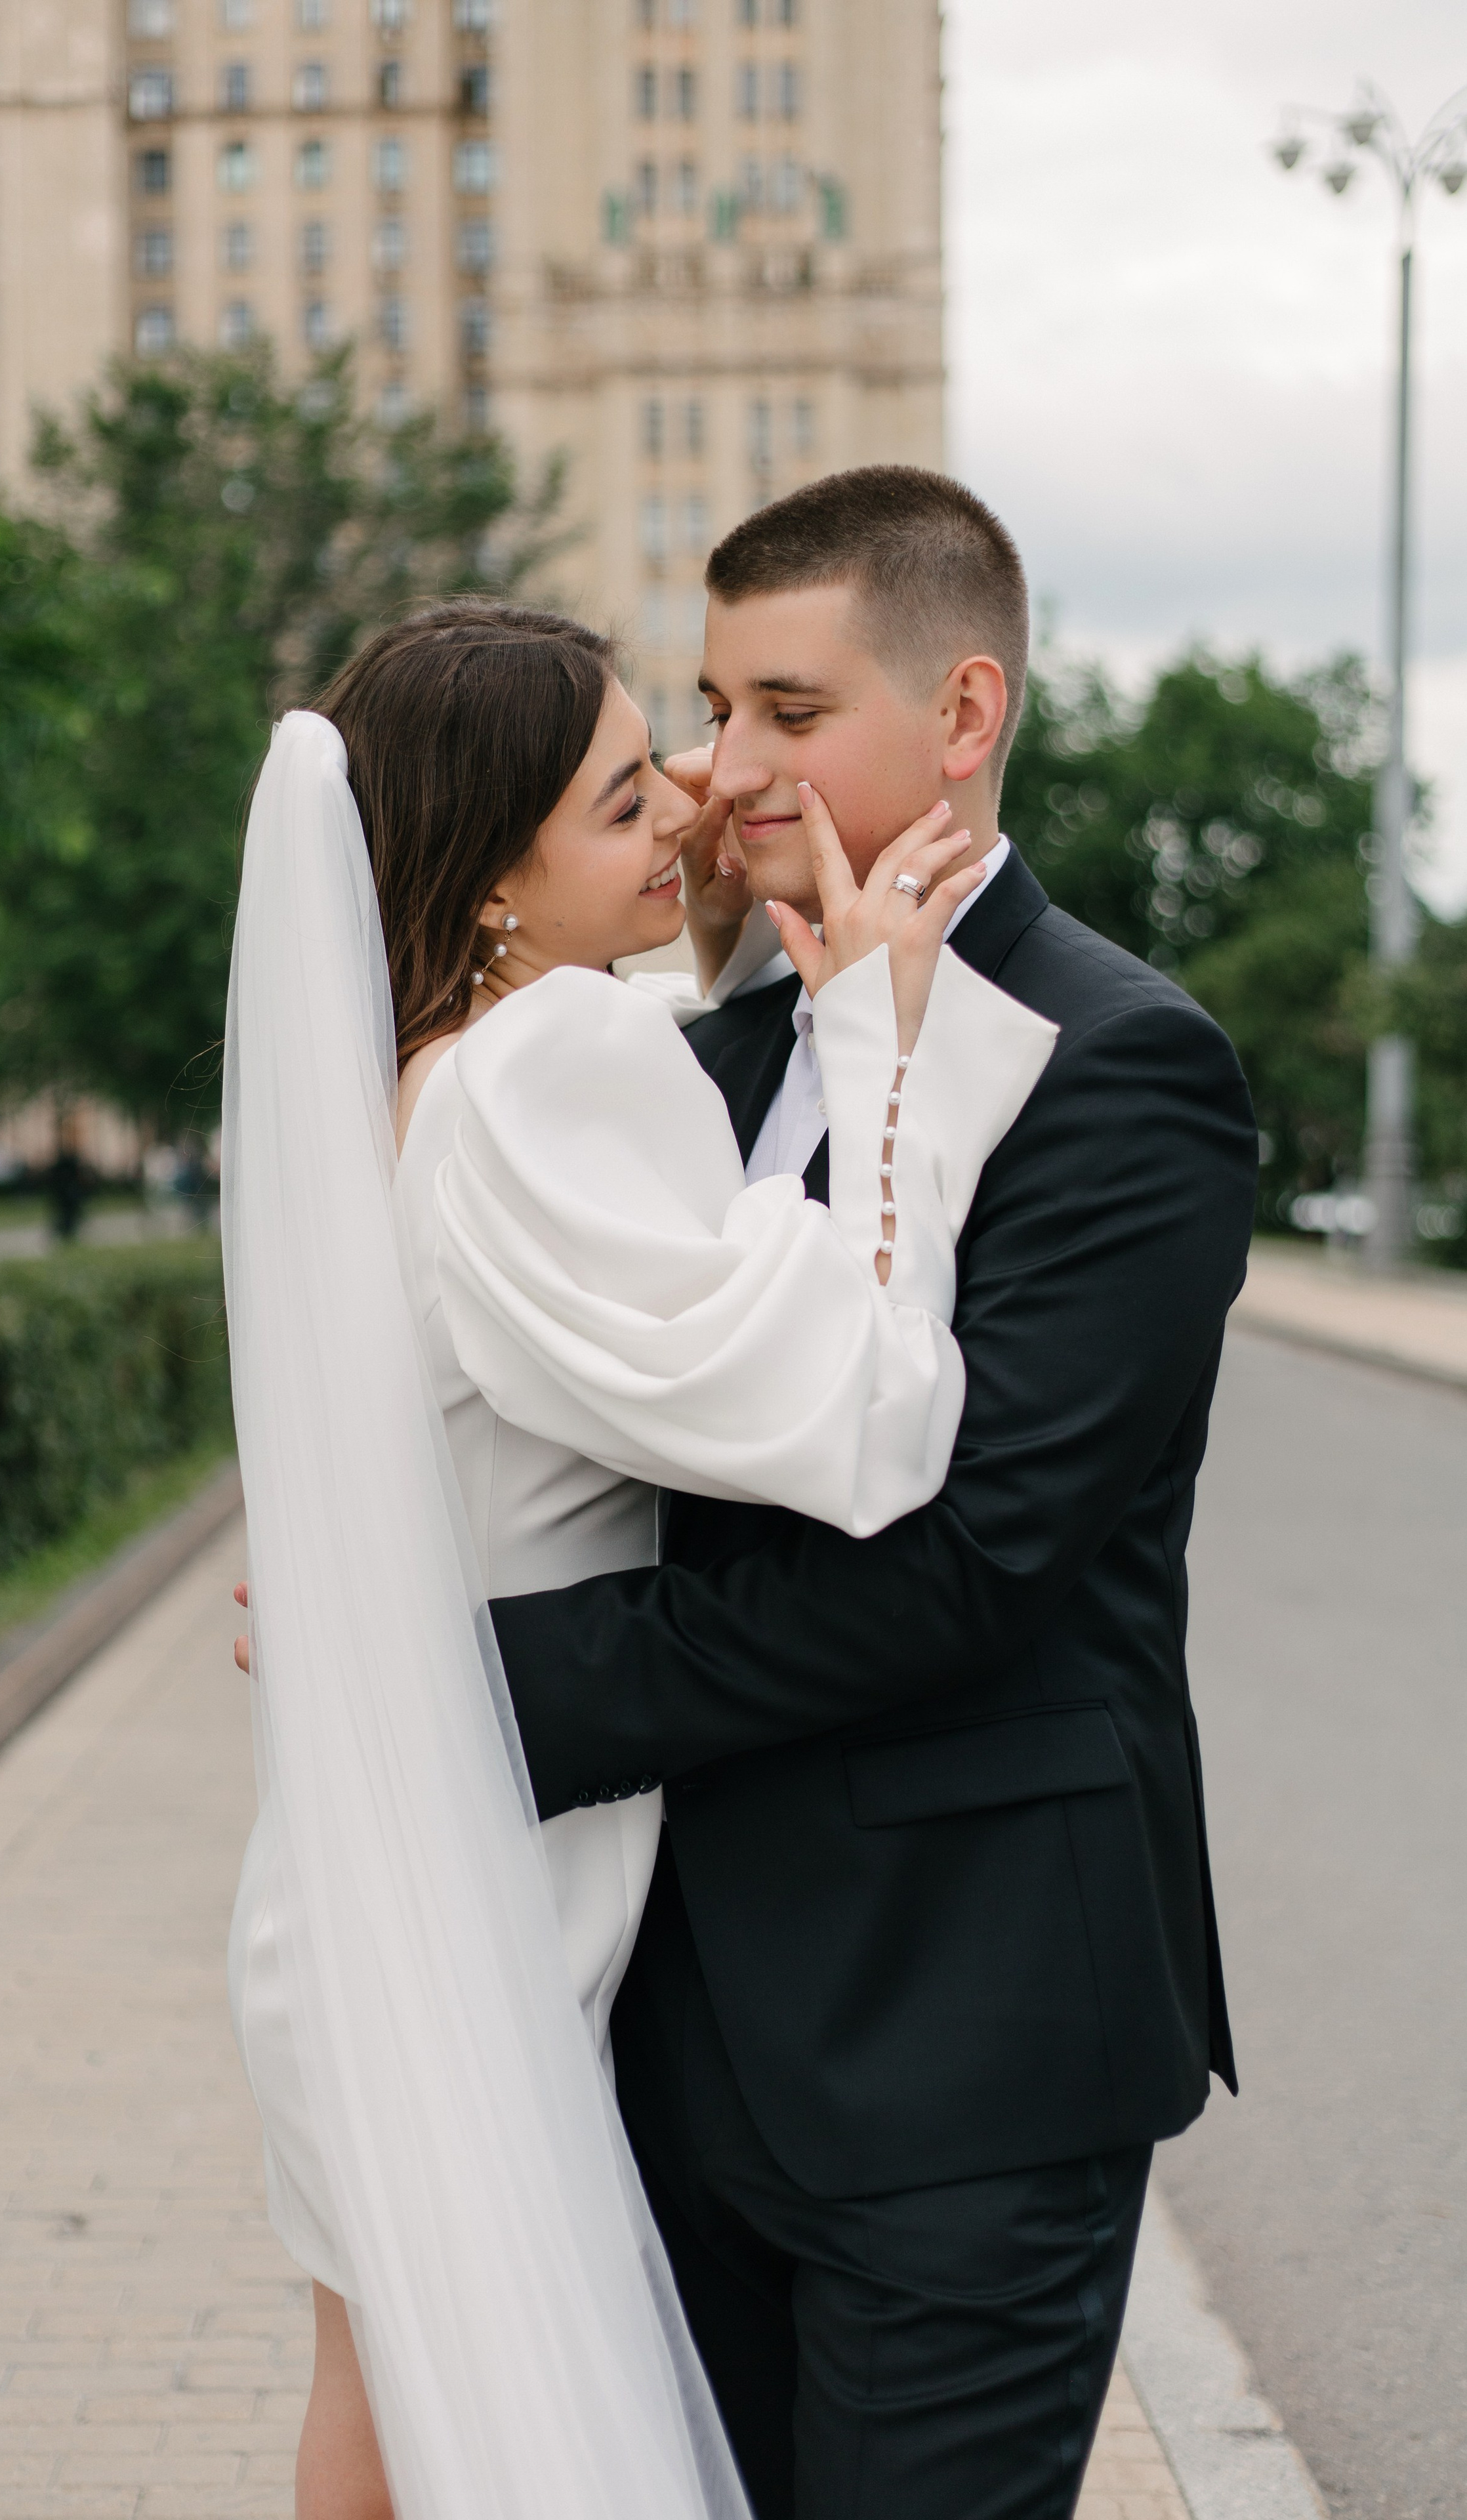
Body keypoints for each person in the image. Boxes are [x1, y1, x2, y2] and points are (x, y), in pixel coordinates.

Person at [220, 599, 1056, 2520]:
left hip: (380, 1881)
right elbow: (853, 1421)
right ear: (494, 874)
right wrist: (884, 1041)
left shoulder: (431, 1069)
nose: (690, 800)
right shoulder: (557, 1063)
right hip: (465, 1908)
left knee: (382, 2423)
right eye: (623, 796)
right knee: (447, 2440)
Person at [489, 468, 1260, 2519]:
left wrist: (477, 1685)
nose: (724, 772)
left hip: (964, 2050)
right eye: (712, 710)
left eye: (787, 710)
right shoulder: (713, 1059)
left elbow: (969, 1567)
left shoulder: (1123, 1067)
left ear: (967, 711)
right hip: (677, 2047)